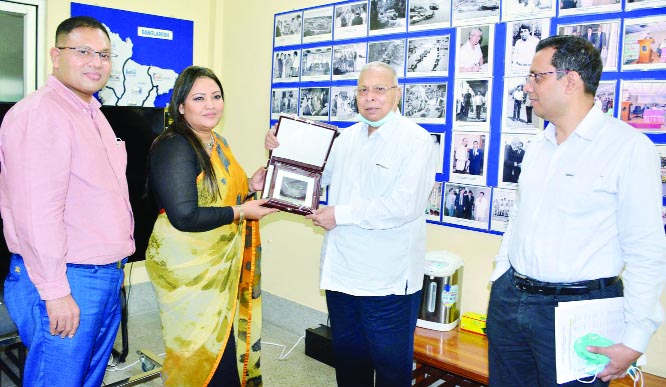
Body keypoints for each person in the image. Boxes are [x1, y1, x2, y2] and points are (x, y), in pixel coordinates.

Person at [487, 35, 666, 387]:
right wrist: (500, 275)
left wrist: (635, 339)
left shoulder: (628, 148)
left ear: (571, 81)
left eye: (537, 76)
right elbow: (520, 220)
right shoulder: (539, 145)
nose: (527, 86)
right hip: (512, 300)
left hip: (579, 309)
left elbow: (646, 249)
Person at [266, 61, 436, 387]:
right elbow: (310, 175)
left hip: (387, 284)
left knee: (390, 371)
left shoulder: (416, 141)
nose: (369, 97)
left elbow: (404, 206)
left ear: (396, 94)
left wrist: (339, 214)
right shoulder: (346, 138)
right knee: (349, 366)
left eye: (379, 89)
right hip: (342, 276)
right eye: (362, 90)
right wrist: (279, 150)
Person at [0, 16, 134, 387]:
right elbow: (36, 214)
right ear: (55, 56)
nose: (96, 62)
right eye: (84, 51)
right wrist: (56, 293)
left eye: (104, 54)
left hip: (99, 274)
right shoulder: (41, 114)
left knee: (85, 379)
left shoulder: (92, 113)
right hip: (66, 279)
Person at [145, 66, 277, 387]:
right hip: (187, 270)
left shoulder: (218, 142)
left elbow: (227, 191)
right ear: (181, 106)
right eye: (199, 98)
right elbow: (185, 216)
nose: (211, 105)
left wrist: (253, 183)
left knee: (220, 348)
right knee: (194, 353)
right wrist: (242, 210)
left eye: (216, 97)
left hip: (220, 266)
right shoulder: (175, 145)